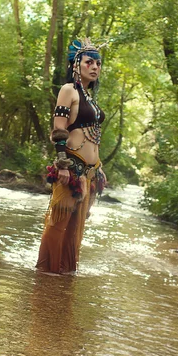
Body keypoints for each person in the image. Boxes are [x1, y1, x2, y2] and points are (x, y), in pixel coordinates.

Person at [36, 38, 107, 275]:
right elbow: (59, 130)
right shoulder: (68, 90)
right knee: (59, 224)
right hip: (72, 168)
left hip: (90, 171)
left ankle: (65, 277)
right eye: (90, 62)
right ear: (77, 65)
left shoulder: (90, 99)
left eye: (98, 63)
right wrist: (62, 165)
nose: (95, 67)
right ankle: (45, 275)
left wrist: (99, 168)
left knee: (76, 228)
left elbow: (93, 136)